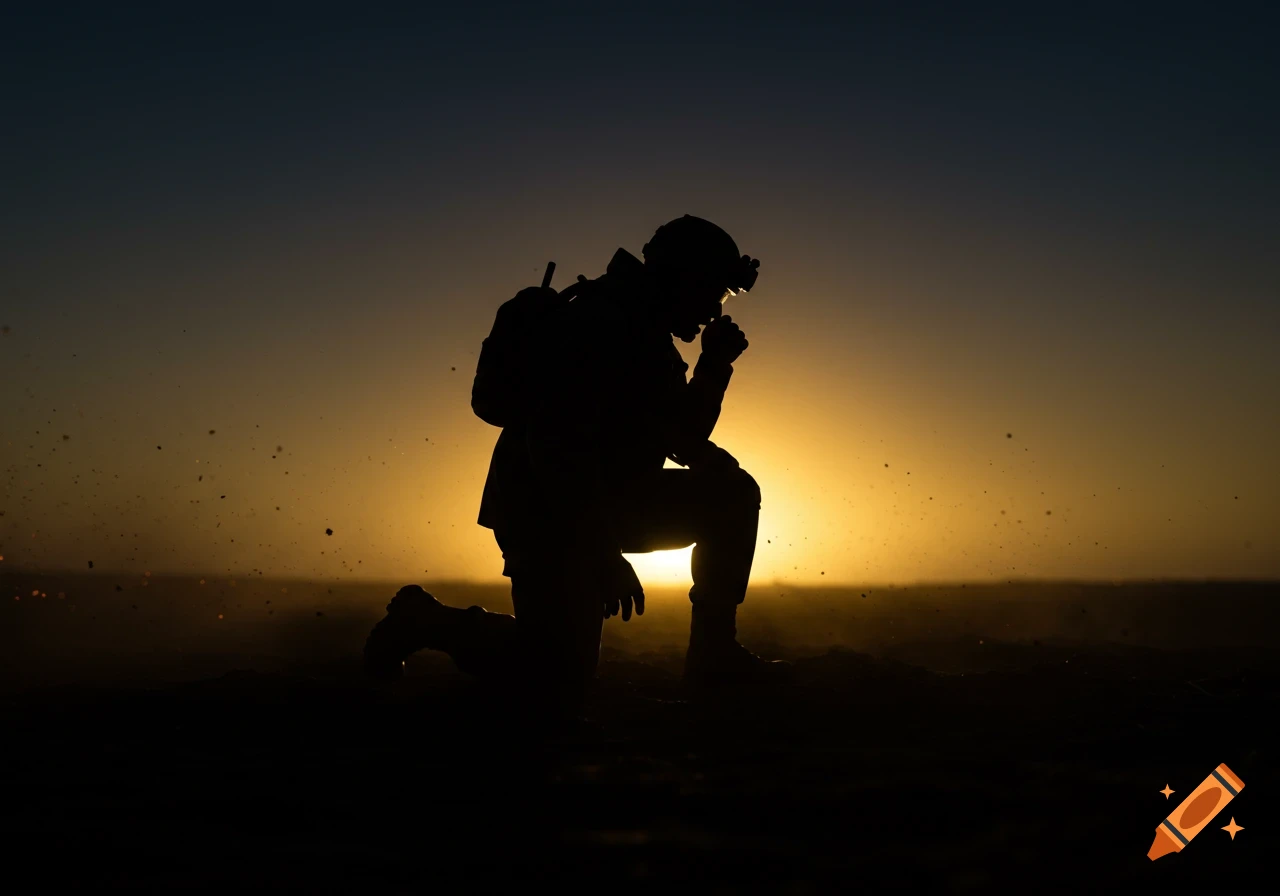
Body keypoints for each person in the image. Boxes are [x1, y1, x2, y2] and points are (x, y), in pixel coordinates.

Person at [364, 215, 788, 716]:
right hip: (547, 513)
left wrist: (714, 366)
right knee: (554, 676)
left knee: (731, 494)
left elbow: (682, 437)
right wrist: (605, 554)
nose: (714, 308)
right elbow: (558, 452)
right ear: (682, 278)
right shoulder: (600, 326)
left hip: (607, 500)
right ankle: (425, 622)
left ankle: (714, 657)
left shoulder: (645, 332)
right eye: (712, 291)